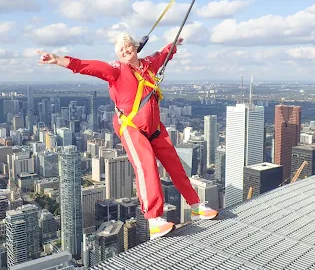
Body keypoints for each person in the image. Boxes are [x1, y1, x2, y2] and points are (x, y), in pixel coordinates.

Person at [37, 32, 218, 239]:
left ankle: (195, 206)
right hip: (131, 127)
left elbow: (162, 55)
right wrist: (57, 60)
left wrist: (174, 44)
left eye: (127, 46)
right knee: (146, 165)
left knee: (174, 164)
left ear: (135, 46)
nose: (125, 50)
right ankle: (154, 219)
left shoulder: (148, 64)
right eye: (121, 49)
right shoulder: (115, 70)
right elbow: (87, 66)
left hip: (154, 127)